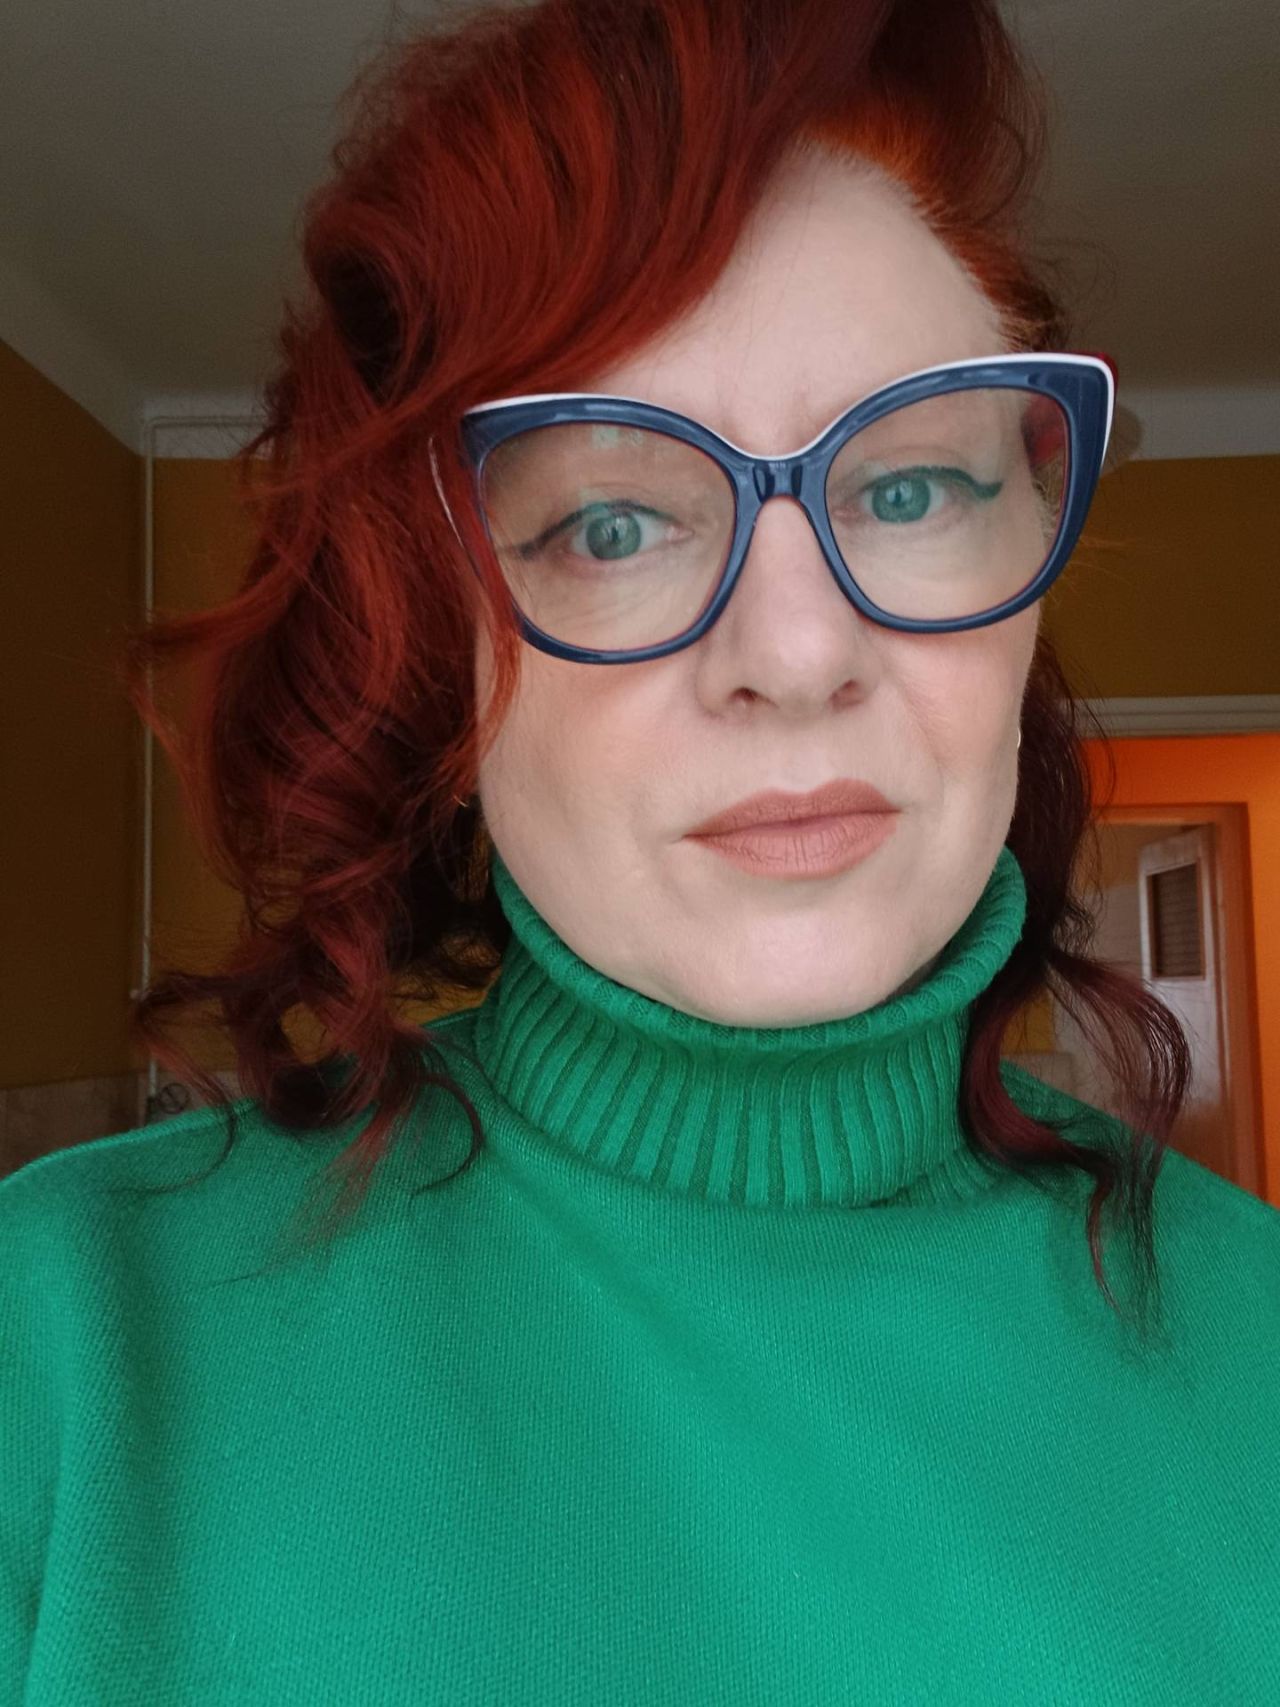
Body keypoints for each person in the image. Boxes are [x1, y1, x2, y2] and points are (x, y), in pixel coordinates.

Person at [4, 0, 1279, 1701]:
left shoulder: (1259, 1344)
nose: (799, 654)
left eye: (908, 489)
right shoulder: (65, 1355)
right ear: (438, 651)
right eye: (613, 522)